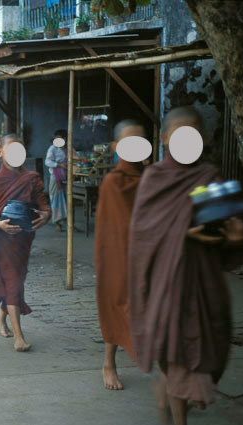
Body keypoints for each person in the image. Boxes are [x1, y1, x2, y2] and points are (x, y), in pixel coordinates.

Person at [128, 106, 243, 425]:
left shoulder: (210, 178)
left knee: (205, 354)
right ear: (165, 137)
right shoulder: (154, 178)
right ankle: (179, 420)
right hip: (167, 284)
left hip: (204, 283)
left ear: (203, 137)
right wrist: (183, 232)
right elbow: (142, 235)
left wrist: (235, 239)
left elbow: (229, 236)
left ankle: (169, 392)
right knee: (176, 352)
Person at [0, 134, 50, 352]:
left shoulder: (32, 178)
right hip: (3, 239)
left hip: (24, 238)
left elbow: (43, 204)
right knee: (12, 281)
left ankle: (0, 318)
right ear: (0, 152)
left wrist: (46, 215)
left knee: (17, 279)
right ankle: (19, 337)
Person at [94, 119, 146, 390]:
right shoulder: (112, 182)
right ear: (116, 146)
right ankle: (109, 363)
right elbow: (113, 227)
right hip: (118, 258)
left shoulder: (152, 179)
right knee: (115, 305)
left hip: (149, 256)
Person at [45, 129, 68, 232]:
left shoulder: (69, 148)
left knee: (67, 201)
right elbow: (47, 161)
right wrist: (59, 165)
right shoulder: (53, 148)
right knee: (55, 200)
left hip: (67, 177)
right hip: (55, 177)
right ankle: (57, 223)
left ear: (65, 139)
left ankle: (68, 222)